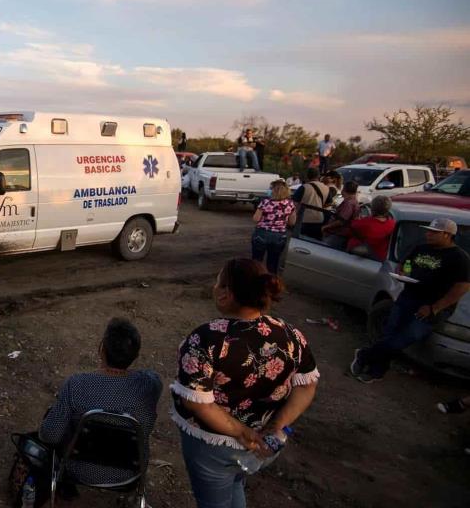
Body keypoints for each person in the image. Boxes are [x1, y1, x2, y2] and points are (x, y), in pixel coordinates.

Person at [173, 258, 319, 508]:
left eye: (217, 282)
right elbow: (307, 385)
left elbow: (199, 404)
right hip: (265, 446)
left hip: (214, 447)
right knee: (236, 481)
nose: (213, 286)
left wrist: (243, 432)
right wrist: (277, 425)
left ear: (225, 295)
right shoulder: (291, 335)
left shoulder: (206, 339)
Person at [38, 318, 162, 498]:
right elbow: (151, 375)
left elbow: (50, 435)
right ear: (135, 355)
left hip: (77, 469)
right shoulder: (151, 385)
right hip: (130, 474)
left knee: (54, 420)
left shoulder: (76, 385)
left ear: (101, 349)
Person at [352, 218, 470, 383]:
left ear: (447, 235)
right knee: (389, 335)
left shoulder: (459, 258)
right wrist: (404, 273)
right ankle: (376, 371)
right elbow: (406, 263)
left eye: (433, 232)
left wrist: (434, 308)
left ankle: (364, 354)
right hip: (407, 298)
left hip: (429, 308)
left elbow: (462, 287)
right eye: (428, 230)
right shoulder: (421, 248)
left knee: (403, 339)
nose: (428, 234)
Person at [252, 180, 297, 274]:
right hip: (279, 236)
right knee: (273, 263)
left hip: (262, 233)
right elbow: (292, 222)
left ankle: (255, 282)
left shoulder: (265, 202)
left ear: (274, 190)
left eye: (271, 188)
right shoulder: (290, 204)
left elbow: (256, 219)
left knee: (256, 262)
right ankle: (271, 284)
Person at [346, 195, 395, 260]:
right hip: (384, 257)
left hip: (370, 258)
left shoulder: (365, 223)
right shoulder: (393, 223)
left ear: (372, 208)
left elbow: (350, 228)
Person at [292, 168, 335, 240]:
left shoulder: (304, 187)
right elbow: (329, 203)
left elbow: (294, 204)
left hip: (303, 219)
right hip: (318, 219)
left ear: (308, 176)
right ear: (318, 176)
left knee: (300, 241)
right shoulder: (326, 188)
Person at [322, 181, 361, 249]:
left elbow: (341, 221)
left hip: (338, 234)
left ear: (345, 190)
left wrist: (326, 227)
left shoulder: (348, 203)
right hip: (342, 234)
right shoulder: (354, 202)